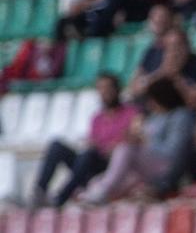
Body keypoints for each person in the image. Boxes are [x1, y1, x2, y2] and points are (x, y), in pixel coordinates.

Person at [81, 77, 195, 204]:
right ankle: (100, 193)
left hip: (165, 167)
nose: (149, 104)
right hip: (146, 166)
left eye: (151, 100)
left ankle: (104, 192)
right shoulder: (155, 117)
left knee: (125, 148)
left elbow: (174, 153)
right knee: (96, 182)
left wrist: (144, 142)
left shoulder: (181, 117)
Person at [31, 73, 133, 207]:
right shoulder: (97, 118)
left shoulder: (130, 113)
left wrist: (114, 146)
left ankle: (61, 198)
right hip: (91, 162)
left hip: (111, 165)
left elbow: (132, 139)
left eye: (108, 88)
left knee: (88, 155)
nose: (105, 92)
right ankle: (40, 191)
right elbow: (93, 140)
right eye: (101, 89)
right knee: (57, 147)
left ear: (116, 90)